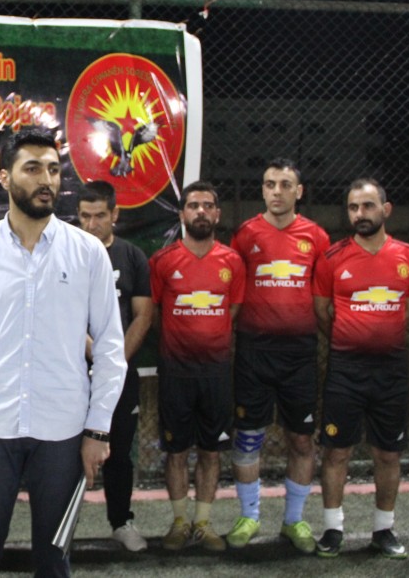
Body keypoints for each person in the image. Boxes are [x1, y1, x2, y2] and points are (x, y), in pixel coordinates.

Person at [0, 129, 126, 577]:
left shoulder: (88, 253)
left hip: (63, 432)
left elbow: (111, 348)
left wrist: (98, 430)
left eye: (54, 170)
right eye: (33, 168)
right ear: (4, 178)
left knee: (54, 563)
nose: (47, 180)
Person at [312, 178, 409, 559]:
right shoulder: (332, 257)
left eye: (368, 206)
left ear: (386, 209)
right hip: (345, 370)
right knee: (336, 452)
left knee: (388, 454)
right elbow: (322, 311)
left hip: (391, 370)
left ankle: (383, 529)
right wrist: (352, 337)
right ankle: (332, 529)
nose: (360, 213)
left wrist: (380, 333)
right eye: (353, 207)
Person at [225, 158, 329, 554]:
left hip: (299, 351)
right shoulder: (245, 235)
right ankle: (249, 515)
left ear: (299, 191)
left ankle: (293, 520)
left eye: (285, 184)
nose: (277, 191)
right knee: (248, 437)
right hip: (254, 349)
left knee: (301, 440)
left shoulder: (317, 237)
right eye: (270, 184)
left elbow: (322, 296)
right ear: (263, 189)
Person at [148, 180, 244, 553]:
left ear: (217, 214)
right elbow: (155, 314)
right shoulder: (163, 261)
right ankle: (178, 522)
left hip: (216, 373)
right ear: (182, 214)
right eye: (193, 205)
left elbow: (231, 310)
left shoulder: (232, 261)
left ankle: (202, 523)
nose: (200, 211)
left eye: (207, 205)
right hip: (176, 372)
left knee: (210, 451)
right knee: (176, 451)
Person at [75, 181, 152, 552]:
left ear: (115, 214)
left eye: (99, 216)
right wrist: (94, 353)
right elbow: (62, 312)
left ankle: (121, 522)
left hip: (120, 374)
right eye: (85, 217)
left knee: (119, 453)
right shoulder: (67, 255)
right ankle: (61, 529)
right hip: (73, 374)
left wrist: (113, 362)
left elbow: (143, 315)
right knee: (66, 455)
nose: (91, 224)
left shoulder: (132, 256)